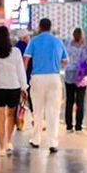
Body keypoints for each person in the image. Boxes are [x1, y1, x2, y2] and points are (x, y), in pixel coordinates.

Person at [24, 18, 68, 153]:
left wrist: (24, 78)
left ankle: (36, 140)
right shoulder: (58, 42)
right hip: (54, 77)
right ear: (50, 27)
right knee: (53, 111)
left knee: (37, 110)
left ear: (40, 27)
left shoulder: (34, 41)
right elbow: (65, 61)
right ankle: (52, 143)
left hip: (37, 78)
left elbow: (26, 59)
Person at [0, 26, 28, 156]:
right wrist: (24, 87)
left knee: (1, 118)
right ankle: (9, 142)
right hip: (13, 87)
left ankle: (1, 148)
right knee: (11, 116)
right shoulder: (16, 52)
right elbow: (20, 71)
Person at [64, 28, 87, 133]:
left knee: (69, 102)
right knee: (80, 102)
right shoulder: (84, 47)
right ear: (81, 36)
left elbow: (63, 56)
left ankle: (68, 126)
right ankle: (78, 126)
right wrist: (84, 44)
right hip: (81, 76)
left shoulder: (68, 45)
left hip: (69, 74)